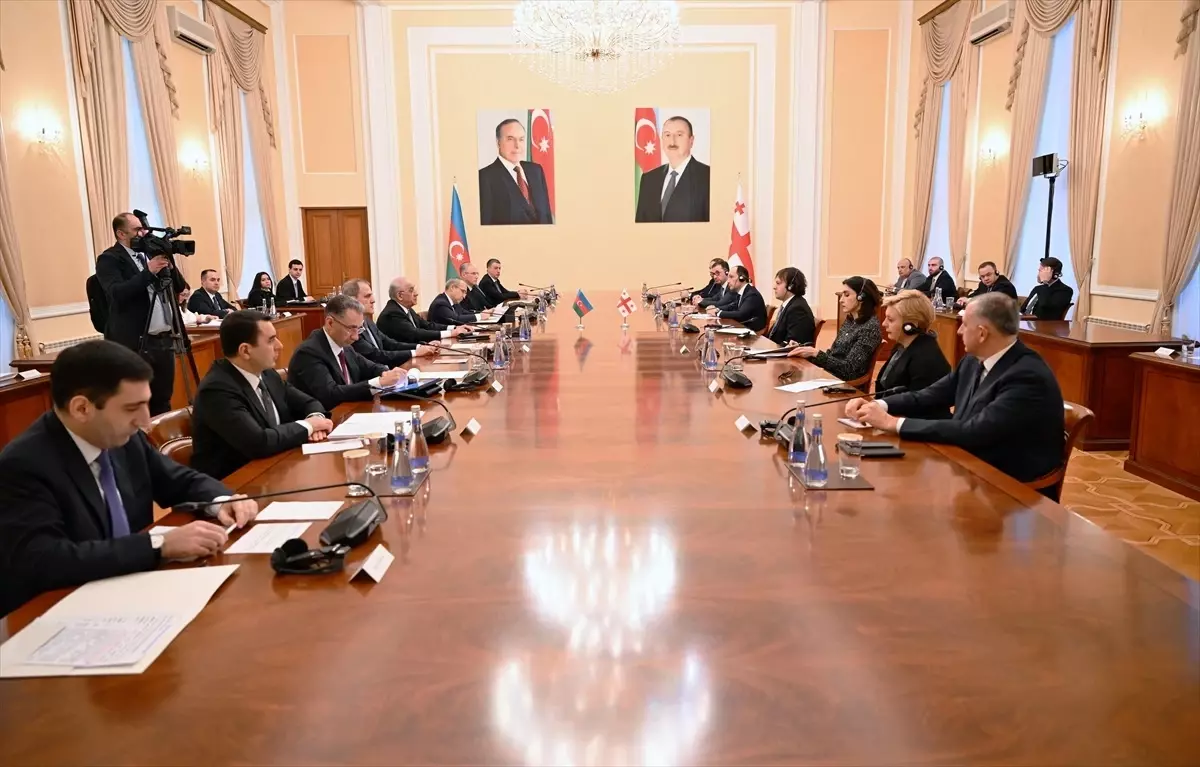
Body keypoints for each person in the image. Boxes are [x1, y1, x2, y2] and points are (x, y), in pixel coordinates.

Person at [0, 340, 258, 617]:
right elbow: (45, 559)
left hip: (135, 592)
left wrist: (222, 500)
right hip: (61, 611)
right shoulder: (24, 464)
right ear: (82, 409)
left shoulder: (122, 438)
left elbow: (177, 480)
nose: (145, 422)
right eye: (132, 408)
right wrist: (160, 545)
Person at [847, 293, 1065, 490]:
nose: (959, 331)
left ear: (982, 333)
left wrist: (892, 423)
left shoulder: (1026, 376)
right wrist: (879, 405)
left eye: (965, 325)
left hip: (1008, 487)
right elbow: (930, 395)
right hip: (967, 465)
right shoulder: (972, 361)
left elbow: (976, 431)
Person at [191, 311, 334, 479]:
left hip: (278, 469)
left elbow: (309, 402)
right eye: (271, 340)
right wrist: (309, 426)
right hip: (237, 483)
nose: (280, 346)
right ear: (245, 351)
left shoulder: (267, 374)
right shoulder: (217, 389)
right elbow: (258, 442)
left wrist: (315, 419)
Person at [95, 212, 187, 416]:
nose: (143, 233)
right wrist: (148, 272)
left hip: (164, 340)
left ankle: (161, 436)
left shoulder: (150, 252)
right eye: (137, 230)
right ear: (121, 234)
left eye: (144, 229)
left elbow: (180, 287)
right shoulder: (109, 259)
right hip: (136, 342)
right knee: (137, 402)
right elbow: (117, 293)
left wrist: (169, 263)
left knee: (163, 399)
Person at [288, 295, 408, 411]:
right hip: (326, 418)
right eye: (351, 329)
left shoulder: (345, 346)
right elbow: (330, 394)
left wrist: (386, 372)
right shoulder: (308, 353)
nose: (356, 337)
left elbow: (369, 367)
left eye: (359, 329)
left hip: (350, 411)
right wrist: (378, 383)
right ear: (330, 323)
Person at [789, 276, 882, 383]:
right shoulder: (850, 320)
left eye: (846, 295)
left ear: (861, 297)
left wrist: (816, 354)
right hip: (829, 377)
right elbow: (832, 355)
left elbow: (849, 369)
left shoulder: (869, 328)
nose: (841, 300)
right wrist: (803, 350)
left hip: (845, 386)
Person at [874, 290, 951, 403]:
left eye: (890, 320)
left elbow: (918, 404)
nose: (884, 324)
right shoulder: (901, 346)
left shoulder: (925, 359)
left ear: (910, 325)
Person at [341, 278, 439, 366]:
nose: (373, 300)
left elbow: (390, 344)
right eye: (367, 296)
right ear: (352, 300)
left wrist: (421, 346)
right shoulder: (351, 329)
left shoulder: (368, 321)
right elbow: (376, 355)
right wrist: (415, 352)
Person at [634, 116, 711, 223]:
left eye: (679, 135)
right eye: (667, 135)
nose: (672, 141)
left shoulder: (708, 177)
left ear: (691, 141)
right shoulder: (649, 179)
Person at [478, 119, 553, 226]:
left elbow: (547, 216)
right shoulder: (485, 177)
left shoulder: (536, 171)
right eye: (510, 139)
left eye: (521, 139)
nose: (517, 145)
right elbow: (485, 226)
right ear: (498, 142)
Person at [377, 278, 475, 345]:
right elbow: (415, 334)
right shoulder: (392, 313)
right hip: (400, 362)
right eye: (411, 290)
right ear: (400, 296)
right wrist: (451, 333)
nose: (416, 293)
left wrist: (454, 328)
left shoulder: (407, 309)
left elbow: (428, 325)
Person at [706, 265, 767, 332]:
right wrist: (716, 309)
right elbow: (732, 306)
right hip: (743, 329)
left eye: (731, 277)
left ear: (742, 278)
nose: (728, 281)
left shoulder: (752, 294)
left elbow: (740, 314)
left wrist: (718, 313)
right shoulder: (742, 292)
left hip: (754, 334)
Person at [765, 266, 816, 346]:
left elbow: (792, 344)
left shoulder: (797, 309)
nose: (774, 287)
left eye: (778, 283)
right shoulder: (789, 305)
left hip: (785, 353)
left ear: (790, 286)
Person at [429, 279, 499, 327]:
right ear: (452, 288)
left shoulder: (453, 302)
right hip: (439, 340)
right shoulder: (441, 303)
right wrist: (480, 316)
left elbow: (464, 312)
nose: (464, 296)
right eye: (463, 291)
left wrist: (483, 313)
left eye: (465, 293)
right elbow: (456, 319)